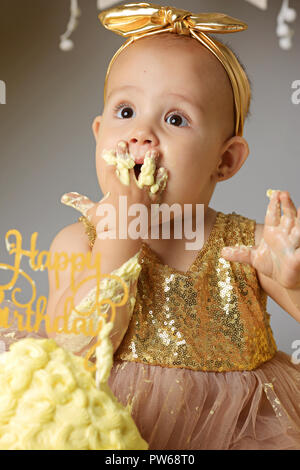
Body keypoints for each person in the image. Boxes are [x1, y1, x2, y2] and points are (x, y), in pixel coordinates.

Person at [2, 3, 300, 450]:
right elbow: (74, 349)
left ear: (225, 160)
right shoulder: (76, 242)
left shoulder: (250, 248)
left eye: (175, 119)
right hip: (112, 430)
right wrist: (120, 230)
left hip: (239, 431)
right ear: (99, 132)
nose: (141, 134)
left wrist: (293, 281)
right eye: (126, 112)